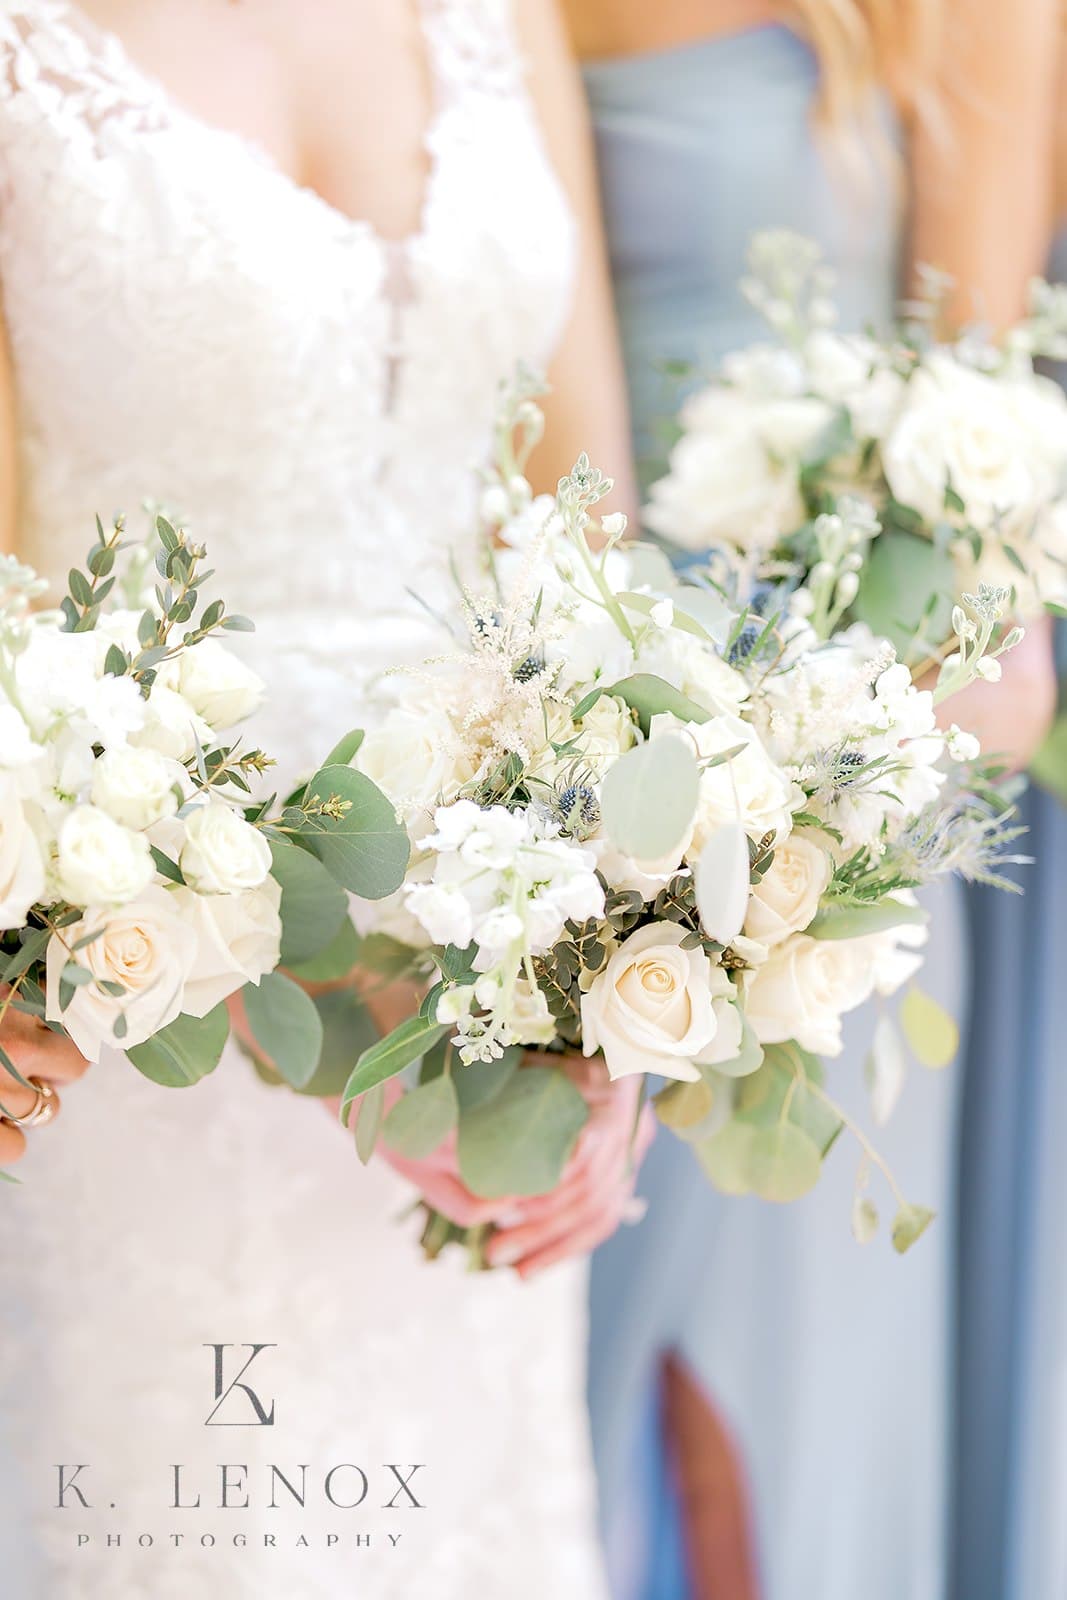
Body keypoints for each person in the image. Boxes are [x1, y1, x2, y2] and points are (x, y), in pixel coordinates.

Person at [0, 3, 645, 1595]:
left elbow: (591, 555)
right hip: (143, 1001)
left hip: (487, 1008)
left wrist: (627, 999)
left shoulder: (499, 21)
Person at [563, 3, 1059, 1597]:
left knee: (760, 1433)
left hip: (836, 792)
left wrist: (799, 801)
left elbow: (991, 604)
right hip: (541, 772)